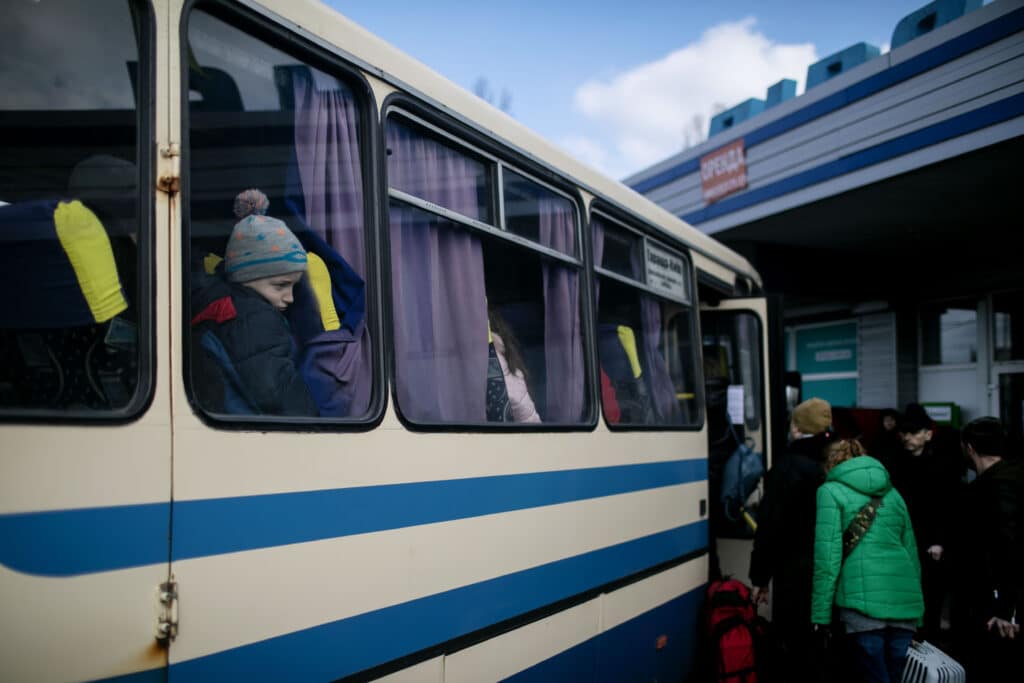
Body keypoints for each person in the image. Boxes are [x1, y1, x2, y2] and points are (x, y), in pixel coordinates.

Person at [191, 192, 318, 416]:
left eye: (293, 287)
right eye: (280, 286)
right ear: (245, 278)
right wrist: (318, 427)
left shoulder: (220, 304)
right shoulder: (255, 318)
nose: (290, 297)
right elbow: (278, 394)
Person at [811, 439, 924, 683]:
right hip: (903, 601)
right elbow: (912, 553)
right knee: (898, 676)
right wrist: (919, 611)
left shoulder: (829, 491)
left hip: (861, 604)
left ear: (832, 463)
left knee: (873, 676)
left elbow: (827, 560)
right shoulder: (893, 493)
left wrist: (820, 616)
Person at [749, 397, 835, 682]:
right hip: (832, 569)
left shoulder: (788, 467)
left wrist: (761, 578)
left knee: (794, 645)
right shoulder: (836, 462)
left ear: (797, 429)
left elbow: (771, 527)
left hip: (795, 572)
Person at [950, 417, 1023, 680]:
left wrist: (1005, 608)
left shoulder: (991, 489)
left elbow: (1007, 545)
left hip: (994, 606)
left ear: (969, 448)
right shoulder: (1014, 476)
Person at [887, 403, 961, 641]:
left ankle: (929, 639)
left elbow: (948, 507)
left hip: (930, 541)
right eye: (905, 433)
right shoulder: (896, 462)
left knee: (931, 593)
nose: (907, 437)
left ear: (928, 434)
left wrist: (940, 540)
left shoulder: (942, 464)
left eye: (913, 432)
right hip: (905, 539)